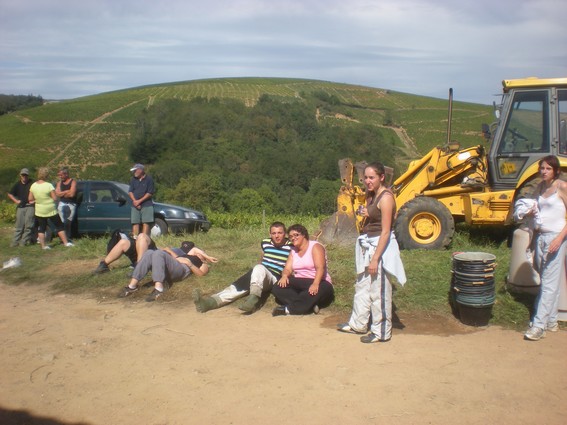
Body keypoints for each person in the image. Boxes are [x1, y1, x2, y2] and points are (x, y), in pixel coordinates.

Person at [337, 162, 406, 343]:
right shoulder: (371, 194)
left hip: (380, 247)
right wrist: (366, 212)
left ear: (381, 177)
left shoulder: (386, 197)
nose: (367, 181)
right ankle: (358, 323)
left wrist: (375, 259)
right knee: (362, 286)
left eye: (371, 177)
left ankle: (382, 331)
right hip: (368, 242)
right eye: (366, 177)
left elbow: (385, 230)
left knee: (379, 290)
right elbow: (374, 216)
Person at [193, 221, 292, 313]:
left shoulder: (291, 246)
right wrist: (256, 272)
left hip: (274, 277)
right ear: (270, 234)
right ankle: (208, 303)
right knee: (236, 288)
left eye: (280, 233)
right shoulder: (265, 242)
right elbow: (262, 259)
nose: (277, 236)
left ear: (285, 234)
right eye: (274, 233)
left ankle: (254, 297)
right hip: (259, 272)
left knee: (258, 268)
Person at [524, 155, 567, 341]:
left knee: (548, 283)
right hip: (541, 237)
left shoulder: (562, 187)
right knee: (549, 279)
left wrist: (559, 238)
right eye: (542, 168)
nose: (544, 171)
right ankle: (551, 320)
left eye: (548, 168)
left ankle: (538, 325)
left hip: (555, 238)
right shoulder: (541, 187)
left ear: (556, 170)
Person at [119, 241, 218, 302]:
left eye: (201, 253)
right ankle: (132, 286)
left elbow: (201, 274)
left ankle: (159, 289)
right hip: (174, 264)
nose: (198, 253)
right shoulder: (189, 254)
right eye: (198, 252)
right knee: (149, 252)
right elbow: (195, 249)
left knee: (158, 253)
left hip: (183, 269)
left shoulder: (203, 263)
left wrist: (190, 263)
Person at [271, 224, 334, 316]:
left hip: (319, 281)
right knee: (277, 287)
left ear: (304, 235)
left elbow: (320, 267)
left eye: (296, 235)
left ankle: (288, 309)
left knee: (319, 290)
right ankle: (310, 305)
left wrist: (315, 284)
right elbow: (287, 269)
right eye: (291, 236)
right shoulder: (293, 251)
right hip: (300, 281)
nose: (293, 238)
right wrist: (284, 276)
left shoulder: (315, 246)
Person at [28, 167, 73, 250]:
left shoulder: (33, 185)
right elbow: (55, 198)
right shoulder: (49, 185)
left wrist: (38, 200)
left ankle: (43, 246)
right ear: (46, 175)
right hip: (50, 209)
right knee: (59, 226)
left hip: (39, 210)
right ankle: (66, 243)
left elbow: (30, 198)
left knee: (42, 228)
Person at [92, 231, 156, 274]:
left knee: (142, 236)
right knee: (123, 242)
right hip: (139, 256)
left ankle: (139, 268)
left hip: (151, 256)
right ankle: (104, 265)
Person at [7, 168, 35, 247]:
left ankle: (23, 242)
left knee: (29, 225)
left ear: (28, 175)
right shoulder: (17, 184)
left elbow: (38, 192)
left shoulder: (32, 183)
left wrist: (35, 201)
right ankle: (15, 242)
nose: (24, 177)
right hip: (20, 207)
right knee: (19, 226)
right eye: (23, 175)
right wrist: (16, 201)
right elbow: (10, 194)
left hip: (30, 206)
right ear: (20, 175)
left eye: (26, 175)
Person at [128, 163, 155, 237]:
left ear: (140, 170)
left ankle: (144, 239)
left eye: (135, 170)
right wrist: (135, 201)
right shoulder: (133, 179)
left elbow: (149, 193)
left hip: (146, 204)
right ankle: (135, 239)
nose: (134, 172)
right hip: (135, 205)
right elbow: (130, 192)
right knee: (135, 222)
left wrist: (139, 201)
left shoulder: (149, 179)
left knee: (146, 223)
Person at [55, 166, 77, 242]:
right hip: (62, 203)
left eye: (61, 175)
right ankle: (63, 239)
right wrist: (66, 191)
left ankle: (68, 238)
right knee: (62, 222)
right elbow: (57, 194)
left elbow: (72, 194)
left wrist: (62, 193)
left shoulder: (73, 182)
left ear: (66, 174)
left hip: (71, 204)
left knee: (68, 222)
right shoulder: (59, 183)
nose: (60, 177)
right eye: (59, 175)